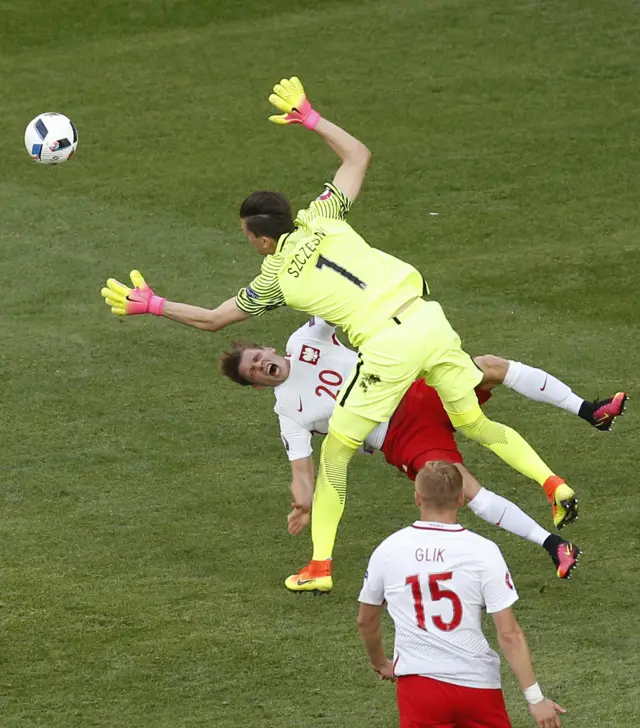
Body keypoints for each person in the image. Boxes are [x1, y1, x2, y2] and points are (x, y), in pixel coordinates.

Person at [102, 76, 581, 592]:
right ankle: (553, 484)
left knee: (337, 455)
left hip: (390, 351)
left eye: (248, 237)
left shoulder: (275, 279)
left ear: (263, 240)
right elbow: (358, 157)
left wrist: (154, 305)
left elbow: (215, 318)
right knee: (474, 419)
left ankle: (320, 567)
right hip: (428, 317)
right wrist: (310, 117)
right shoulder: (320, 216)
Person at [219, 318, 624, 586]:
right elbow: (303, 471)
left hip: (416, 387)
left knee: (489, 366)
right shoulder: (288, 412)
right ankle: (555, 546)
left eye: (258, 359)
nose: (260, 367)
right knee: (464, 490)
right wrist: (304, 504)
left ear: (269, 349)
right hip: (399, 436)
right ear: (256, 386)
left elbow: (340, 305)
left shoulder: (304, 338)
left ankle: (591, 411)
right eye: (253, 372)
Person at [357, 461, 566, 728]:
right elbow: (509, 634)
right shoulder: (483, 551)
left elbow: (366, 620)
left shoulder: (388, 550)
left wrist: (381, 663)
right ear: (460, 498)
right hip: (477, 687)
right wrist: (536, 699)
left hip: (420, 688)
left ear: (417, 497)